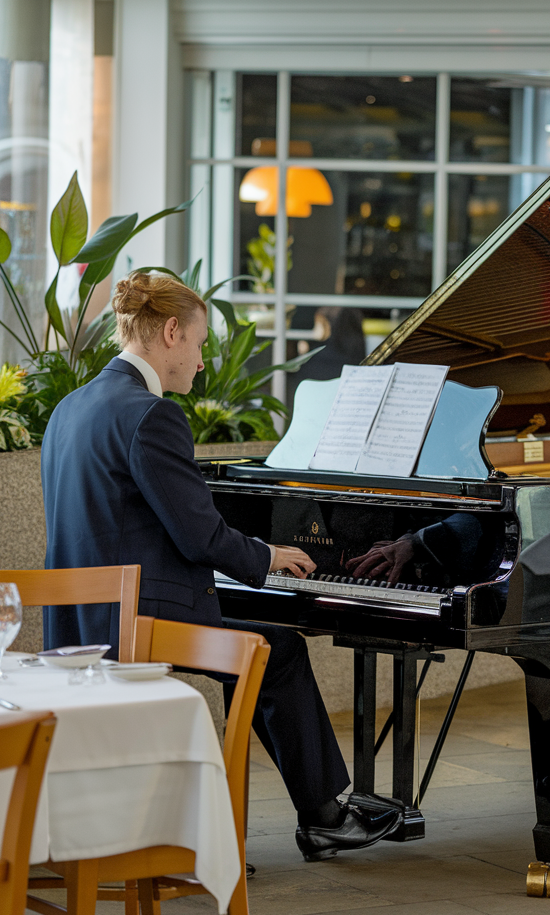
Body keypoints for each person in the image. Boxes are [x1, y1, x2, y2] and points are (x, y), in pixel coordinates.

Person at [40, 271, 401, 862]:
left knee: (255, 653)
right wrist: (268, 556)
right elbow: (199, 534)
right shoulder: (150, 415)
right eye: (202, 344)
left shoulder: (71, 409)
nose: (203, 362)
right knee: (275, 651)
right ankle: (323, 817)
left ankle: (288, 817)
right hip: (135, 620)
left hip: (78, 620)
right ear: (172, 333)